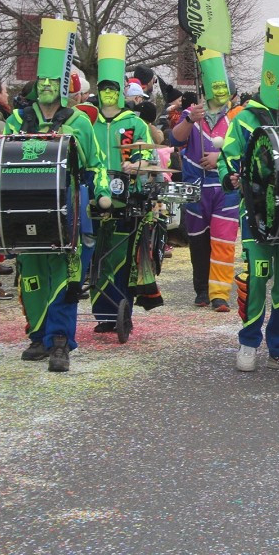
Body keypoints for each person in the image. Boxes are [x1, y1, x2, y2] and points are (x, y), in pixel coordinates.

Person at [0, 18, 109, 372]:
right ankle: (38, 335)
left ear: (63, 87)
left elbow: (95, 164)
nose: (46, 87)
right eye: (42, 80)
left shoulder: (80, 122)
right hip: (23, 209)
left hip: (65, 208)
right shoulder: (16, 121)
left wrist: (101, 192)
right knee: (33, 276)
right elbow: (0, 164)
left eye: (53, 81)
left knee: (66, 276)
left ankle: (60, 341)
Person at [219, 18, 279, 373]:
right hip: (257, 211)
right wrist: (230, 175)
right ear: (267, 83)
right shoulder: (244, 119)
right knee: (256, 276)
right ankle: (248, 342)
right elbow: (229, 154)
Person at [89, 33, 161, 333]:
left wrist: (137, 164)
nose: (108, 95)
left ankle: (121, 311)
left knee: (121, 256)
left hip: (127, 196)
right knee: (95, 254)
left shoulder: (133, 122)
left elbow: (150, 157)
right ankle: (102, 313)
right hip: (92, 196)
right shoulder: (86, 120)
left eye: (112, 90)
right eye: (103, 90)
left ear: (119, 92)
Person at [170, 46, 240, 312]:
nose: (220, 92)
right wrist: (189, 119)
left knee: (222, 241)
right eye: (216, 87)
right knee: (198, 241)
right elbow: (175, 139)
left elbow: (246, 149)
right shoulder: (193, 113)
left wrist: (218, 158)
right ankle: (201, 290)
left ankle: (220, 294)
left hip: (225, 187)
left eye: (225, 88)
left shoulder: (237, 118)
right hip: (195, 187)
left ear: (231, 93)